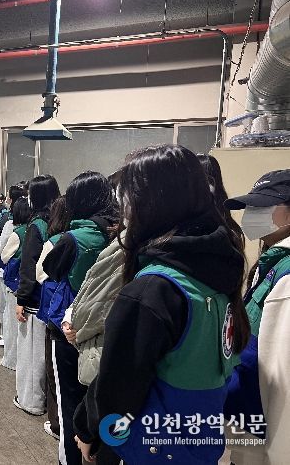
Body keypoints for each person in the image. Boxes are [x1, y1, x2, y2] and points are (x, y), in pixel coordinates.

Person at [73, 145, 249, 464]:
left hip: (151, 445)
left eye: (127, 195)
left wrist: (89, 431)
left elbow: (118, 388)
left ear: (152, 202)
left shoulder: (152, 289)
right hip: (199, 439)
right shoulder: (220, 268)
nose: (122, 206)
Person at [42, 172, 116, 465]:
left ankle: (70, 459)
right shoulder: (119, 236)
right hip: (106, 331)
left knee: (69, 400)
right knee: (98, 399)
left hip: (69, 327)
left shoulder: (72, 239)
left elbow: (50, 269)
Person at [224, 170, 290, 465]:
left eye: (263, 207)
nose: (251, 215)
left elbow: (284, 376)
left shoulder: (287, 275)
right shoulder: (273, 262)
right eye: (250, 207)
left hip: (269, 436)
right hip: (251, 420)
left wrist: (280, 454)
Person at [14, 174, 60, 416]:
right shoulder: (61, 221)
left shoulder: (37, 225)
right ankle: (47, 403)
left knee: (31, 353)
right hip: (54, 297)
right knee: (47, 355)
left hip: (35, 299)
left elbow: (28, 265)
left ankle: (31, 401)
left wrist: (21, 299)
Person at [35, 195, 68, 441]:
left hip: (56, 312)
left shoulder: (58, 241)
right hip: (80, 315)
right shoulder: (104, 238)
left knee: (55, 369)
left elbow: (39, 274)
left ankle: (57, 423)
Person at [0, 182, 28, 347]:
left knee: (5, 307)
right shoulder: (31, 223)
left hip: (8, 270)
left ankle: (6, 337)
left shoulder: (10, 223)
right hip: (21, 272)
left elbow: (1, 246)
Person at [1, 196, 31, 370]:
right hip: (30, 286)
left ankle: (11, 361)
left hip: (15, 284)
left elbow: (5, 256)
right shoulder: (39, 228)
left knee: (12, 326)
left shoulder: (18, 232)